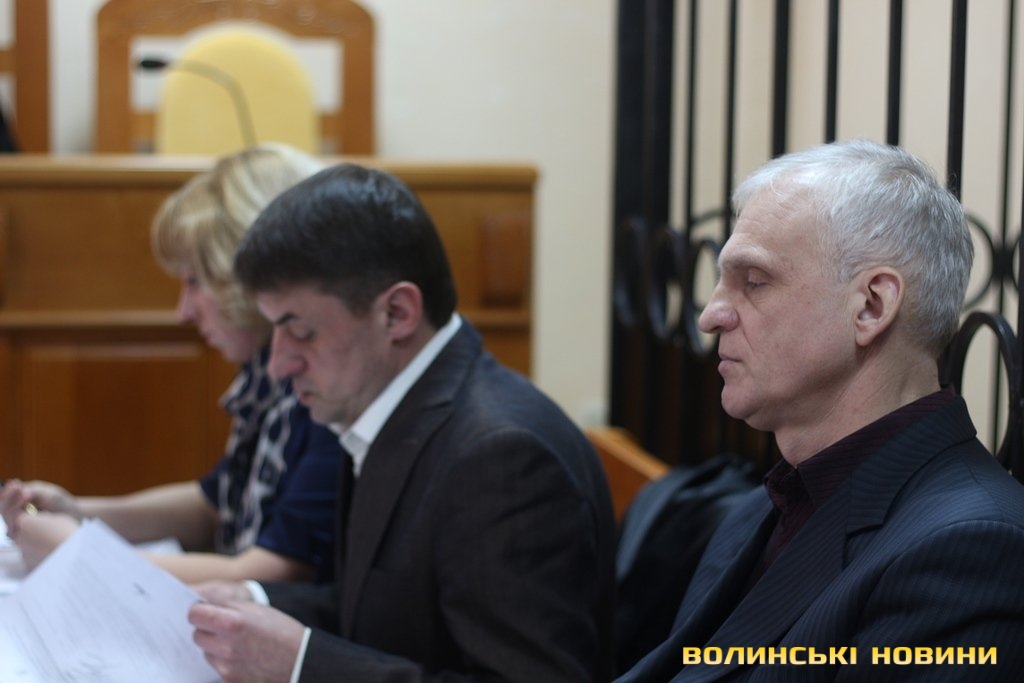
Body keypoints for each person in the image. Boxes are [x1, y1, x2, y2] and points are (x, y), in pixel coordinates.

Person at [186, 162, 617, 682]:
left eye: (299, 330)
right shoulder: (388, 404)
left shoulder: (501, 461)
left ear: (396, 313)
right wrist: (252, 600)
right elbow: (379, 613)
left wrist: (303, 665)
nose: (278, 363)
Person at [616, 139, 1024, 682]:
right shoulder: (768, 504)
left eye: (753, 282)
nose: (711, 315)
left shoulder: (971, 548)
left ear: (871, 306)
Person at [0, 144, 341, 585]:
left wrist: (79, 552)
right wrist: (80, 514)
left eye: (196, 281)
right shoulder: (264, 374)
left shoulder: (326, 387)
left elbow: (273, 572)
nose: (184, 312)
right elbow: (215, 503)